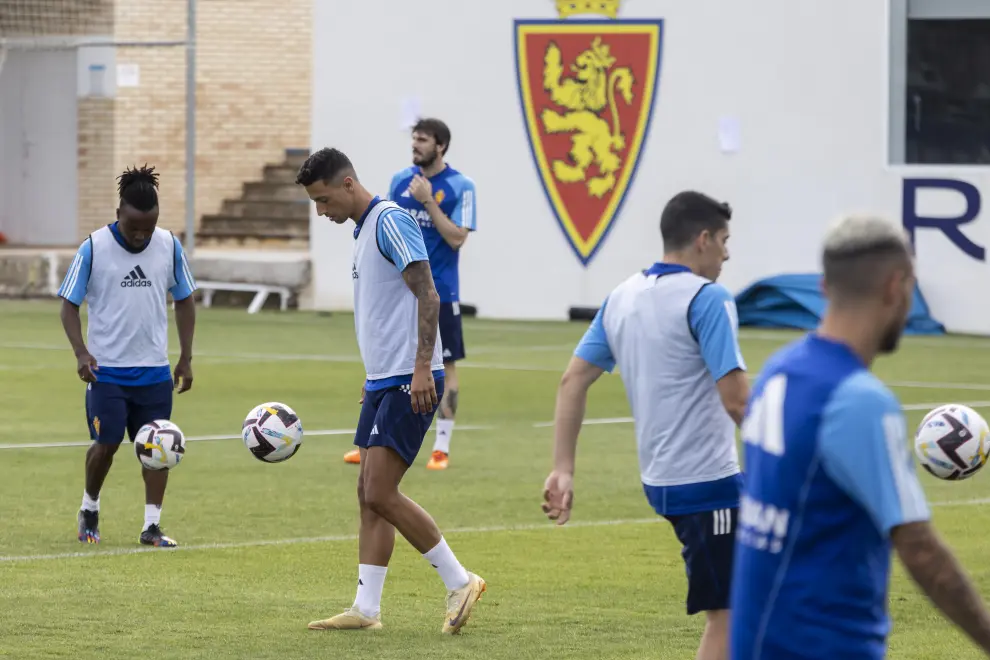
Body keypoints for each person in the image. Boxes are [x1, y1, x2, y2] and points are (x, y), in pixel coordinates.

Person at [730, 214, 990, 659]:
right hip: (824, 646)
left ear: (824, 287)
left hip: (758, 642)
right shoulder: (860, 401)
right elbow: (920, 549)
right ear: (896, 287)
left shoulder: (777, 371)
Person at [542, 191, 750, 660]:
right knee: (732, 617)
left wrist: (563, 468)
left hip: (662, 482)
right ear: (702, 240)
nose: (727, 253)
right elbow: (737, 401)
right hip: (708, 485)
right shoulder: (708, 298)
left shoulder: (622, 296)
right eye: (723, 240)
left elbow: (572, 380)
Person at [296, 147, 486, 634]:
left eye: (323, 200)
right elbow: (385, 310)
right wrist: (373, 375)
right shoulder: (364, 231)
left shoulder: (390, 221)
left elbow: (428, 292)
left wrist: (423, 367)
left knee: (381, 490)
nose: (322, 211)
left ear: (347, 184)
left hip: (409, 378)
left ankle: (460, 580)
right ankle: (367, 609)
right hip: (385, 377)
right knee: (367, 493)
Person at [58, 164, 197, 548]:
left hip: (153, 371)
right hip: (107, 372)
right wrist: (82, 352)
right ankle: (89, 508)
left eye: (148, 228)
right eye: (134, 226)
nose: (141, 235)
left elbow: (184, 299)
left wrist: (185, 357)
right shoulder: (94, 246)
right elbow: (68, 305)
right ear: (119, 213)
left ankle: (151, 526)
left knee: (158, 447)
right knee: (106, 445)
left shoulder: (169, 245)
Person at [341, 118, 477, 471]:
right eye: (413, 139)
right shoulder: (400, 181)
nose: (415, 145)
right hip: (399, 297)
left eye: (423, 140)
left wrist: (429, 202)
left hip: (440, 291)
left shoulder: (461, 186)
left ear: (441, 145)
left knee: (444, 365)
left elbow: (457, 238)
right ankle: (374, 437)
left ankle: (442, 446)